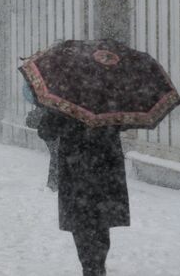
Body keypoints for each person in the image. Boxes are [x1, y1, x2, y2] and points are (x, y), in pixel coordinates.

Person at [37, 111, 130, 276]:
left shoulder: (64, 102)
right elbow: (123, 123)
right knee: (100, 220)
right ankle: (97, 265)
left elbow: (45, 131)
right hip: (106, 169)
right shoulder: (109, 98)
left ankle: (90, 266)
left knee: (81, 222)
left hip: (76, 170)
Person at [23, 82, 59, 191]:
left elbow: (29, 94)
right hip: (53, 123)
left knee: (56, 153)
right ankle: (54, 182)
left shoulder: (43, 80)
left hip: (51, 123)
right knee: (57, 153)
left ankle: (53, 182)